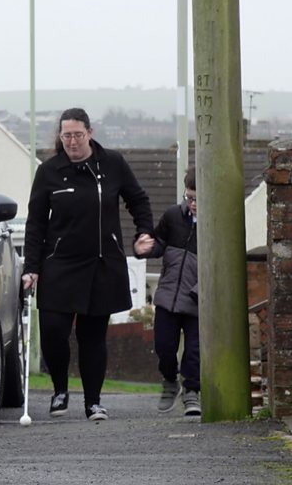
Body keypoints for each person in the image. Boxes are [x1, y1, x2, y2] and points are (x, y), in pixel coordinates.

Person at [21, 107, 154, 421]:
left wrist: (143, 232)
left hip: (101, 264)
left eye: (77, 135)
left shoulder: (112, 164)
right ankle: (60, 391)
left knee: (92, 337)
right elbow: (36, 223)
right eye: (66, 135)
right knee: (54, 332)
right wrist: (32, 266)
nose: (71, 141)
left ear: (90, 133)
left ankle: (93, 402)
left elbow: (138, 199)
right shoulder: (49, 172)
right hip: (59, 264)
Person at [134, 166, 200, 416]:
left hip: (196, 301)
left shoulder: (216, 224)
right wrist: (144, 248)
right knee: (163, 346)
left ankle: (192, 392)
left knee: (194, 351)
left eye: (198, 199)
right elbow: (159, 243)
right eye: (189, 197)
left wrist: (200, 290)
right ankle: (170, 381)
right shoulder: (173, 216)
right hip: (168, 297)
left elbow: (220, 263)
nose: (193, 204)